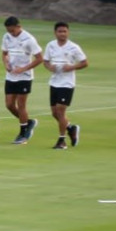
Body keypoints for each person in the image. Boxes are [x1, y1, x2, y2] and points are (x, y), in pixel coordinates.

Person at [42, 22, 88, 150]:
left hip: (67, 84)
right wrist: (50, 67)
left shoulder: (74, 47)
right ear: (55, 32)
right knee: (54, 113)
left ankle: (62, 141)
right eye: (60, 31)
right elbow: (45, 61)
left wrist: (71, 67)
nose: (62, 34)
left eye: (65, 31)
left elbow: (84, 63)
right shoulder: (50, 45)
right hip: (54, 82)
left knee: (61, 112)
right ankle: (71, 128)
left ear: (68, 32)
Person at [2, 16, 44, 145]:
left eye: (13, 31)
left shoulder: (29, 39)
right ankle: (29, 122)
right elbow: (4, 53)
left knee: (21, 105)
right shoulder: (6, 37)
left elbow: (39, 58)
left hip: (24, 77)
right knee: (9, 105)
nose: (11, 33)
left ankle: (23, 133)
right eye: (9, 31)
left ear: (19, 27)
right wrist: (6, 64)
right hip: (10, 76)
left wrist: (24, 69)